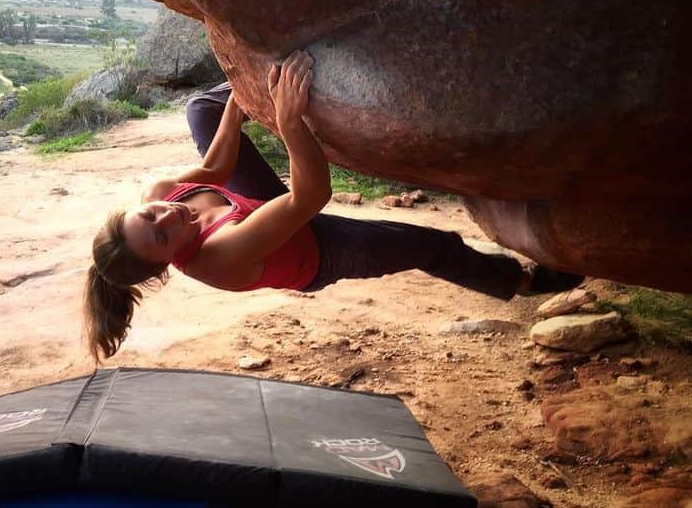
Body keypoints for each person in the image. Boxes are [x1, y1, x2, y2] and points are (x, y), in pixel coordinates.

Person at [84, 50, 583, 361]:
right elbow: (310, 197)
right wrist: (288, 120)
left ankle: (265, 84)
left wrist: (245, 92)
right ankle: (521, 281)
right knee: (431, 245)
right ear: (168, 260)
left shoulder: (160, 196)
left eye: (152, 216)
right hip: (316, 248)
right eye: (163, 235)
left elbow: (214, 171)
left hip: (261, 206)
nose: (169, 216)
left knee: (203, 108)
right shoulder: (217, 257)